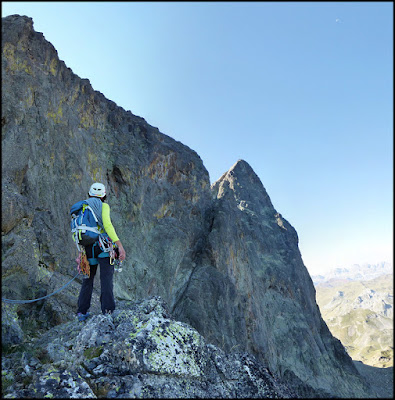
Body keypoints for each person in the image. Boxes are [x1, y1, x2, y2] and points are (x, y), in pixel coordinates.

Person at [76, 182, 126, 321]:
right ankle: (108, 311)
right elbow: (108, 225)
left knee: (87, 280)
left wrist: (80, 254)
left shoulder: (82, 208)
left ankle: (82, 312)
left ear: (89, 194)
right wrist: (119, 245)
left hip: (87, 248)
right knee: (106, 279)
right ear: (104, 195)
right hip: (103, 246)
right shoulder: (104, 206)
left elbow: (80, 231)